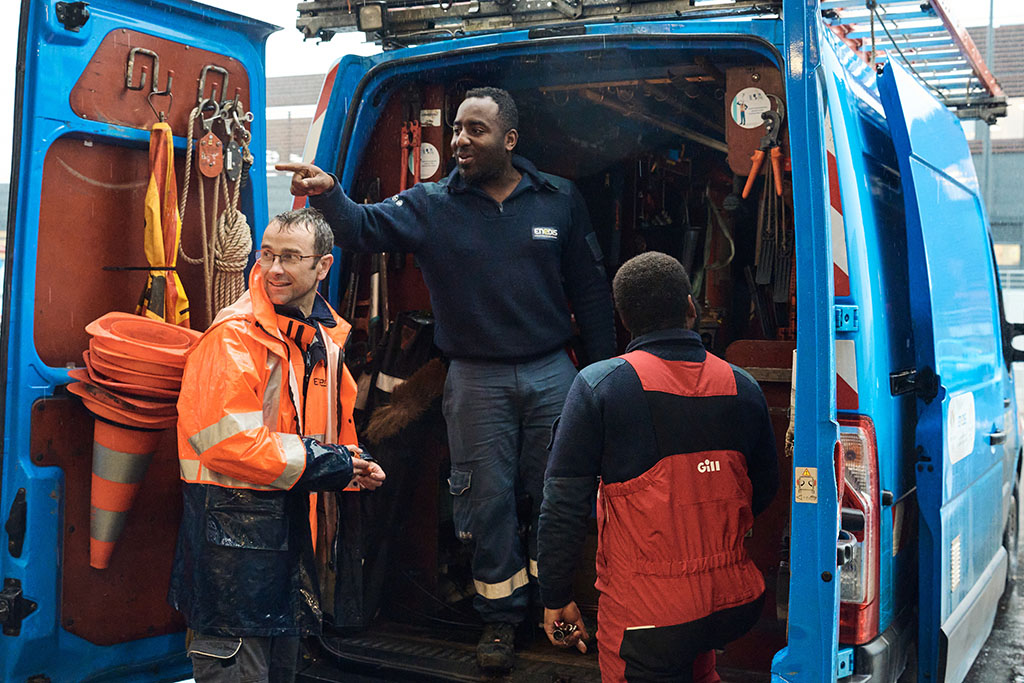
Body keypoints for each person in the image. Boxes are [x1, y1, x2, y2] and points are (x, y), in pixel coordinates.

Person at [277, 86, 615, 672]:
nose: (459, 139)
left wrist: (603, 375)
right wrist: (329, 193)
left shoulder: (559, 200)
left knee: (557, 496)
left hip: (551, 372)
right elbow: (359, 227)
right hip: (474, 379)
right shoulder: (430, 204)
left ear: (509, 140)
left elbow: (590, 290)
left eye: (475, 130)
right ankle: (502, 621)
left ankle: (554, 607)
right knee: (486, 502)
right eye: (457, 127)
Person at [537, 251, 779, 682]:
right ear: (690, 306)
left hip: (645, 618)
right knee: (697, 664)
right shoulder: (744, 386)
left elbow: (563, 507)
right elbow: (763, 487)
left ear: (624, 317)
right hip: (731, 602)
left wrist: (555, 595)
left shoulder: (601, 385)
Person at [169, 208, 386, 683]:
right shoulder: (233, 337)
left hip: (286, 550)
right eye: (267, 254)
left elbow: (334, 431)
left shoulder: (324, 343)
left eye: (290, 257)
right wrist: (333, 464)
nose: (274, 269)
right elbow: (228, 445)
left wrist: (354, 465)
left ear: (323, 267)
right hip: (230, 554)